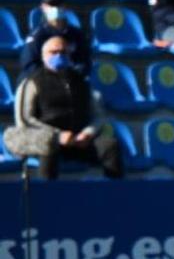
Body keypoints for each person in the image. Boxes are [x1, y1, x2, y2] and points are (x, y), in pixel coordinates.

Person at [8, 36, 123, 180]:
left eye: (63, 52)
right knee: (47, 145)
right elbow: (25, 119)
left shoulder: (82, 81)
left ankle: (114, 194)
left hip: (78, 140)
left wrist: (87, 133)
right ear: (43, 56)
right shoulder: (31, 82)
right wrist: (57, 136)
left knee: (109, 145)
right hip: (48, 139)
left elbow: (98, 115)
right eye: (53, 52)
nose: (59, 56)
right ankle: (47, 194)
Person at [19, 0, 90, 80]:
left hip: (70, 82)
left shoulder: (77, 35)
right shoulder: (37, 36)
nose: (56, 8)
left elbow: (84, 62)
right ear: (43, 7)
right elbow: (29, 65)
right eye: (51, 4)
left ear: (65, 7)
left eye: (59, 4)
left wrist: (71, 75)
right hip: (41, 84)